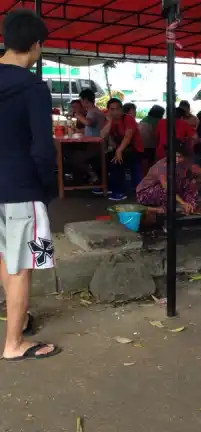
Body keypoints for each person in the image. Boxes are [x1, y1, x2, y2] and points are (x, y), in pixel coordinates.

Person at [0, 9, 60, 360]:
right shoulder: (33, 88)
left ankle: (18, 325)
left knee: (5, 257)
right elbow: (41, 149)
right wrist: (46, 189)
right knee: (21, 265)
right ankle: (13, 345)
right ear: (35, 46)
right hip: (20, 187)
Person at [136, 144, 201, 215]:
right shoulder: (163, 166)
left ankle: (190, 207)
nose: (177, 159)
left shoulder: (182, 163)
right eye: (176, 156)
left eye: (180, 157)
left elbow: (193, 168)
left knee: (190, 183)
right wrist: (182, 203)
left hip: (169, 191)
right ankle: (163, 210)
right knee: (165, 188)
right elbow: (167, 187)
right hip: (145, 193)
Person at [100, 97, 144, 200]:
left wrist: (119, 151)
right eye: (112, 109)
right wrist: (110, 121)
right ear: (108, 110)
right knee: (103, 159)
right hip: (121, 149)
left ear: (121, 109)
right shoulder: (108, 121)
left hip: (134, 149)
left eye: (117, 109)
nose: (115, 112)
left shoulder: (128, 119)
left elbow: (128, 137)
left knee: (117, 162)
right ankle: (111, 186)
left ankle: (119, 191)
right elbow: (102, 135)